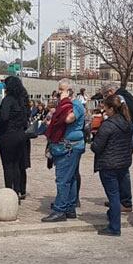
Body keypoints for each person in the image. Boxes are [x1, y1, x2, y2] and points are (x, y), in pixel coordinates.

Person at [42, 79, 87, 222]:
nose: (59, 93)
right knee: (71, 178)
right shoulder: (66, 105)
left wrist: (64, 101)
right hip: (66, 145)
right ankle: (69, 207)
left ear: (70, 91)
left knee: (63, 179)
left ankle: (60, 209)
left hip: (69, 147)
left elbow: (68, 119)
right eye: (59, 90)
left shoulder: (76, 105)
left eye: (62, 90)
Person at [91, 94, 133, 237]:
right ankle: (112, 215)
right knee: (117, 194)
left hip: (108, 164)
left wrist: (94, 138)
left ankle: (114, 227)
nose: (104, 111)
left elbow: (97, 147)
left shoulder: (108, 125)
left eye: (105, 108)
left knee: (113, 196)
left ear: (111, 109)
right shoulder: (127, 123)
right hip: (122, 162)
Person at [0, 76, 31, 200]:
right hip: (20, 135)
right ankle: (17, 191)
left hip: (8, 135)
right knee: (17, 165)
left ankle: (8, 192)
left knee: (7, 165)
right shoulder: (22, 100)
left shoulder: (8, 100)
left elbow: (3, 118)